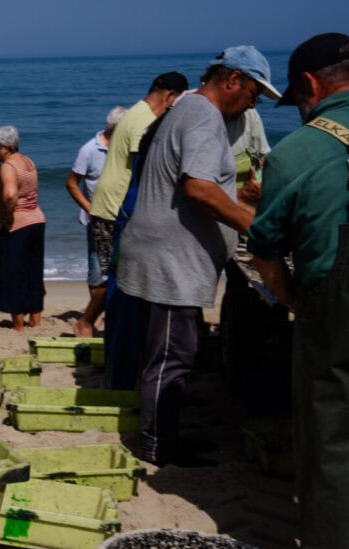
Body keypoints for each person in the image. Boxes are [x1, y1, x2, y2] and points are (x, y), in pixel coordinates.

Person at [247, 33, 349, 549]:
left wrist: (294, 303)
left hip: (340, 299)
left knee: (332, 434)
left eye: (298, 99)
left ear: (309, 86)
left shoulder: (301, 150)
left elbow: (265, 245)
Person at [114, 46, 279, 467]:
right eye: (254, 93)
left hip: (161, 250)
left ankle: (161, 436)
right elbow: (198, 189)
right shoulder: (205, 115)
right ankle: (158, 447)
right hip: (171, 260)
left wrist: (237, 199)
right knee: (172, 357)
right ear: (233, 80)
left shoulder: (186, 108)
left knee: (169, 352)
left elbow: (192, 183)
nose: (253, 103)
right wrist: (255, 227)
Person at [79, 72, 188, 340]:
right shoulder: (144, 121)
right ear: (170, 96)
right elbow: (148, 167)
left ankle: (103, 326)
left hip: (109, 202)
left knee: (116, 274)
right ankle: (91, 324)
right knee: (119, 277)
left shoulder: (135, 112)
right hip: (117, 206)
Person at [67, 107, 126, 336]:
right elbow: (72, 183)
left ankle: (105, 315)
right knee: (97, 271)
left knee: (118, 269)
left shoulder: (126, 149)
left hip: (121, 219)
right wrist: (89, 208)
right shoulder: (90, 150)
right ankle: (93, 318)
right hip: (98, 220)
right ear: (116, 128)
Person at [0, 125, 46, 331]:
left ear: (4, 147)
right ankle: (35, 318)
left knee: (12, 273)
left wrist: (5, 215)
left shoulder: (8, 166)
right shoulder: (27, 161)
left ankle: (18, 322)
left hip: (16, 224)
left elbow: (10, 195)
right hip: (36, 220)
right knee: (33, 271)